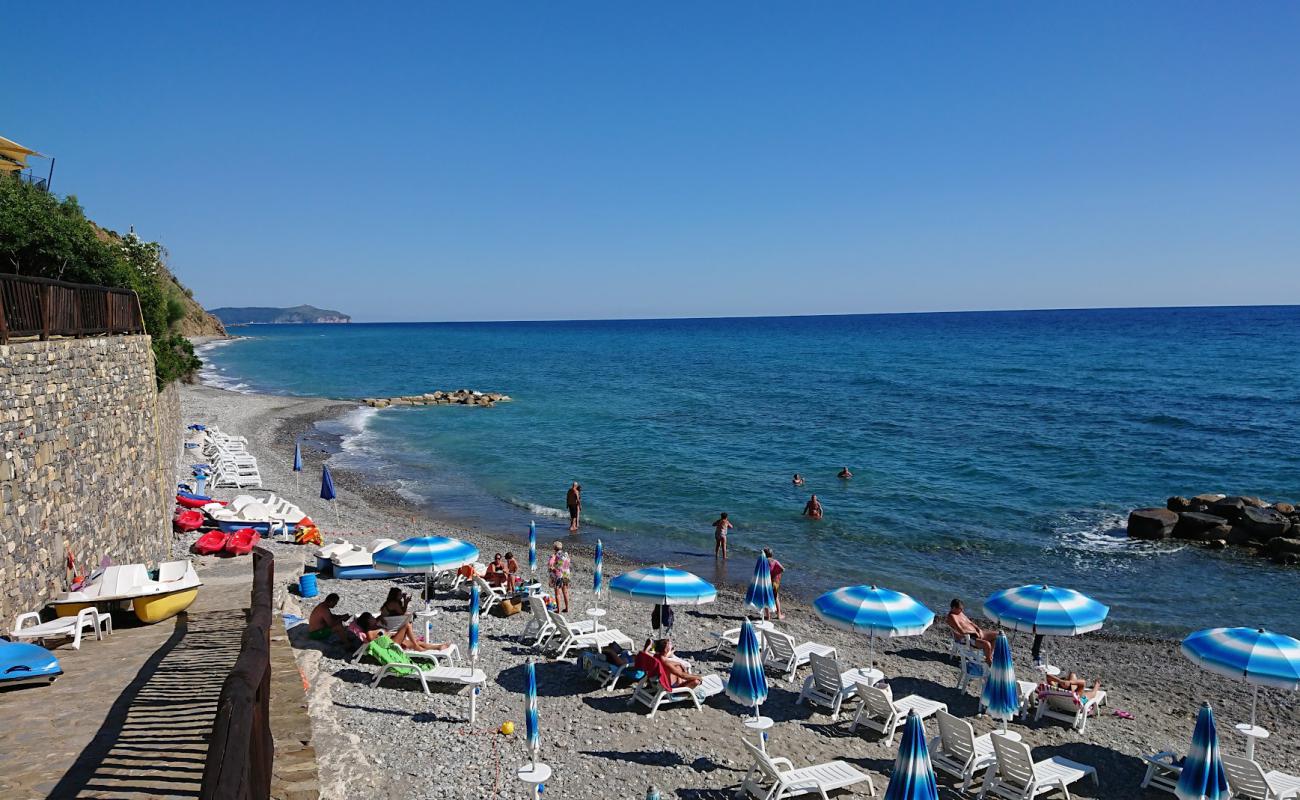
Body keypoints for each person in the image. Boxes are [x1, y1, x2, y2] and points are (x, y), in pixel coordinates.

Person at [945, 599, 998, 664]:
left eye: (962, 608)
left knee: (998, 635)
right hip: (967, 638)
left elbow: (970, 622)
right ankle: (989, 660)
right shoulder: (952, 616)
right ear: (953, 608)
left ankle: (989, 656)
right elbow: (961, 631)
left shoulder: (960, 613)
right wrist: (974, 632)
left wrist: (978, 629)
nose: (962, 610)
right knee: (987, 644)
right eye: (960, 609)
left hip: (975, 634)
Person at [547, 540, 571, 613]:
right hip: (566, 574)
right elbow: (567, 563)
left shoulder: (554, 555)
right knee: (565, 592)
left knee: (557, 593)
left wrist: (553, 568)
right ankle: (567, 608)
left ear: (554, 548)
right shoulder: (566, 554)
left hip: (559, 575)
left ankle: (558, 610)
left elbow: (550, 565)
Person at [764, 547, 784, 620]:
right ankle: (779, 615)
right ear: (772, 554)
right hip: (774, 583)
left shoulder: (763, 562)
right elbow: (782, 569)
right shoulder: (774, 561)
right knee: (776, 598)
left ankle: (768, 616)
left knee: (766, 598)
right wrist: (775, 573)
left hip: (766, 582)